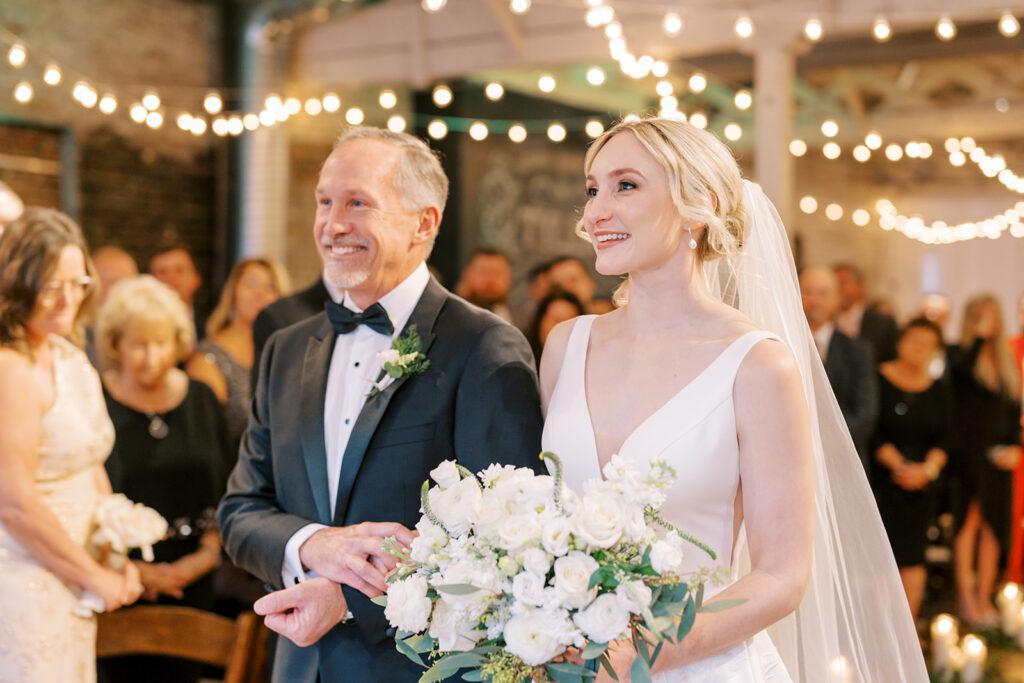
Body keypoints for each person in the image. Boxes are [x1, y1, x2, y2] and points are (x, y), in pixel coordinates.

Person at [541, 118, 925, 681]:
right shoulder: (565, 346)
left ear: (699, 205)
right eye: (592, 188)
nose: (595, 211)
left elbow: (781, 576)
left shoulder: (757, 365)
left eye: (626, 185)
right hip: (567, 665)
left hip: (696, 665)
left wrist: (640, 654)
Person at [218, 127, 544, 682]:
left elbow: (507, 543)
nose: (332, 224)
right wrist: (313, 544)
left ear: (424, 222)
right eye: (325, 201)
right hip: (299, 668)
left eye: (357, 202)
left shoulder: (483, 347)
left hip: (416, 667)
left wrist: (349, 600)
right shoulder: (285, 349)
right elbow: (240, 511)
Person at [0, 208, 143, 681]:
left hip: (72, 578)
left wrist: (115, 541)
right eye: (51, 286)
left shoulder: (67, 354)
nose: (68, 300)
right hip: (26, 578)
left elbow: (90, 461)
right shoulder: (10, 368)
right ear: (17, 282)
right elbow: (13, 501)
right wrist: (94, 576)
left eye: (78, 284)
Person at [94, 275, 231, 683]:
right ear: (115, 344)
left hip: (197, 577)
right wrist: (135, 569)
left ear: (178, 342)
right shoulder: (96, 400)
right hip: (118, 580)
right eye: (138, 344)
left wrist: (204, 557)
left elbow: (228, 484)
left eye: (160, 343)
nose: (150, 357)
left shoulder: (201, 398)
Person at [871, 317, 953, 621]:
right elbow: (873, 430)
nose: (919, 348)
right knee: (882, 558)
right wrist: (900, 466)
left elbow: (946, 437)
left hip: (922, 486)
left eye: (927, 343)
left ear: (936, 350)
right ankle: (881, 634)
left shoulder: (939, 390)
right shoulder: (878, 378)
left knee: (913, 555)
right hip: (882, 482)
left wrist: (927, 471)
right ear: (901, 341)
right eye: (914, 339)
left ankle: (909, 631)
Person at [949, 293, 1022, 625]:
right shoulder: (961, 354)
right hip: (969, 456)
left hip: (998, 458)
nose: (986, 321)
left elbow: (1013, 409)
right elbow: (960, 381)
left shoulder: (1006, 359)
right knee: (968, 525)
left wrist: (1014, 446)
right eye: (979, 315)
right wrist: (977, 339)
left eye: (990, 315)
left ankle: (983, 595)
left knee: (994, 528)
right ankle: (965, 597)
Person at [187, 257, 289, 450]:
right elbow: (203, 437)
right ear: (233, 292)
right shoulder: (208, 357)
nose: (259, 294)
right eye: (250, 284)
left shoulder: (286, 352)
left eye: (270, 287)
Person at [799, 266, 878, 468]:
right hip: (791, 456)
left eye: (823, 293)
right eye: (807, 291)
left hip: (841, 460)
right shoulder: (779, 344)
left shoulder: (857, 351)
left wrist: (822, 442)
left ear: (837, 300)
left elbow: (864, 413)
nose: (814, 300)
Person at [834, 262, 899, 363]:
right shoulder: (822, 322)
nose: (838, 288)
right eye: (833, 283)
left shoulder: (884, 323)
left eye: (843, 282)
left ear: (860, 286)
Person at [149, 245, 204, 337]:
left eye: (179, 271)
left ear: (196, 279)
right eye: (162, 272)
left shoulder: (212, 330)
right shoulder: (138, 330)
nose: (171, 278)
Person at [454, 247, 514, 324]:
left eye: (497, 273)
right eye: (483, 272)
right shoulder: (449, 315)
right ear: (467, 274)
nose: (490, 280)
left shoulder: (522, 317)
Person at [525, 288, 585, 364]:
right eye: (556, 321)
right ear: (540, 321)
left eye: (570, 323)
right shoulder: (522, 361)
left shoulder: (586, 367)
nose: (562, 330)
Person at [547, 255, 614, 314]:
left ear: (590, 282)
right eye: (558, 285)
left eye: (573, 280)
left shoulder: (611, 315)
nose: (566, 287)